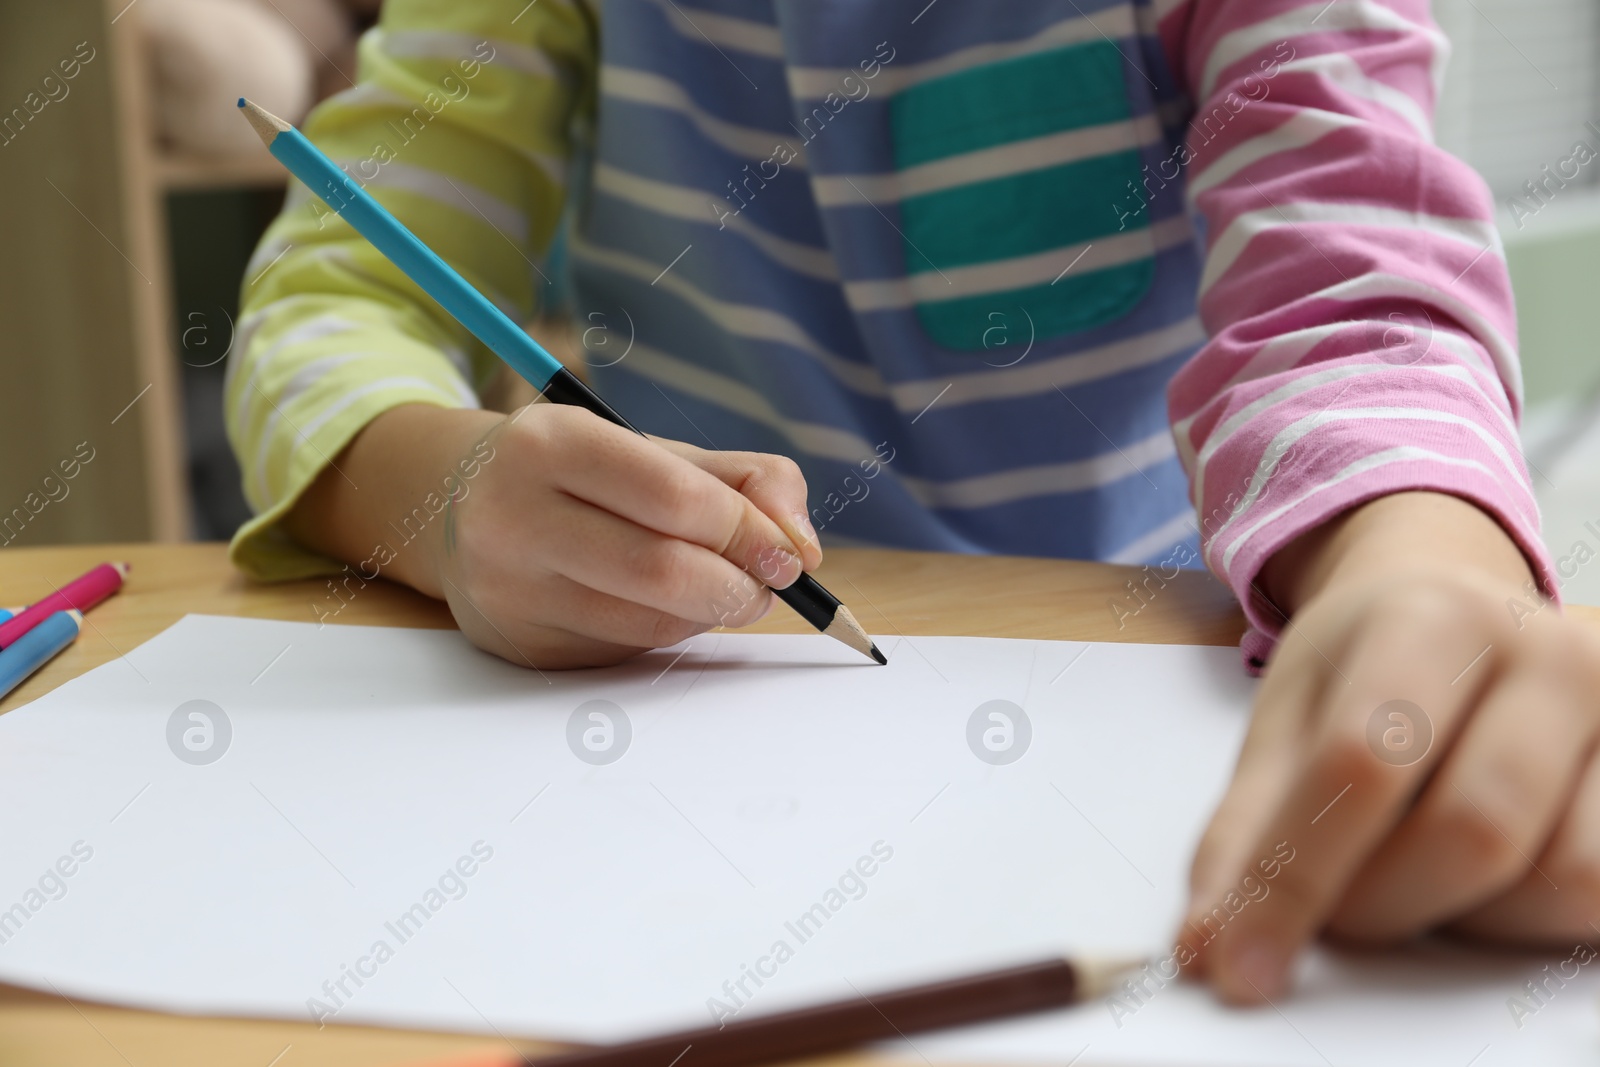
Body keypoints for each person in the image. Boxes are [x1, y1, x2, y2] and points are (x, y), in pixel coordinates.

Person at [226, 0, 1600, 1005]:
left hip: (1172, 696)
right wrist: (440, 490)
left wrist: (1423, 565)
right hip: (684, 744)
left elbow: (1351, 298)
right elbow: (340, 290)